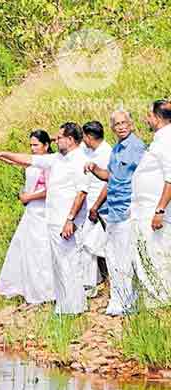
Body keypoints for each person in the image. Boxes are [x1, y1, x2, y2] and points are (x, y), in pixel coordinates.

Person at [0, 123, 92, 314]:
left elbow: (82, 192)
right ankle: (64, 306)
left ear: (70, 140)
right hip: (53, 219)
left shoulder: (80, 161)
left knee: (69, 262)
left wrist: (70, 219)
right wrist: (1, 153)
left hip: (66, 221)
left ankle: (74, 307)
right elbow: (29, 159)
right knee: (59, 263)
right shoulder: (58, 159)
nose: (55, 140)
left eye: (59, 137)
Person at [86, 110, 146, 315]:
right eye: (117, 124)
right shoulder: (117, 149)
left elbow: (144, 177)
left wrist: (135, 205)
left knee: (125, 258)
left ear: (131, 124)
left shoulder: (137, 147)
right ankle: (118, 301)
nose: (121, 127)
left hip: (127, 209)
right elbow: (110, 176)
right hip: (113, 210)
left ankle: (128, 303)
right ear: (112, 128)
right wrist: (95, 168)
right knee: (113, 257)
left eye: (124, 123)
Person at [0, 130, 54, 304]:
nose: (33, 148)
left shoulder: (49, 163)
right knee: (26, 248)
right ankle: (27, 288)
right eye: (31, 145)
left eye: (36, 145)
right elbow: (18, 162)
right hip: (31, 211)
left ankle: (46, 290)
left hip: (42, 209)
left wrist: (29, 197)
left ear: (46, 145)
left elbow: (50, 189)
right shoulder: (33, 162)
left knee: (41, 249)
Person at [129, 100, 171, 306]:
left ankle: (161, 306)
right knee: (149, 260)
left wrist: (160, 210)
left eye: (149, 115)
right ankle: (156, 305)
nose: (146, 119)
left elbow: (170, 177)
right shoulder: (160, 140)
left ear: (157, 117)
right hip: (146, 210)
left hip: (156, 212)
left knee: (157, 261)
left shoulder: (166, 141)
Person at [79, 120, 111, 293]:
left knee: (91, 244)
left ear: (90, 137)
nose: (83, 139)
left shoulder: (106, 154)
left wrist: (96, 207)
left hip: (100, 206)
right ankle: (95, 281)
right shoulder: (92, 150)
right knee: (90, 244)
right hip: (90, 204)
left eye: (84, 136)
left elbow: (108, 183)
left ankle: (91, 284)